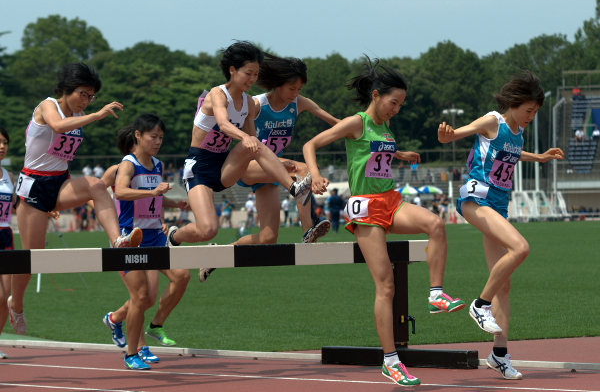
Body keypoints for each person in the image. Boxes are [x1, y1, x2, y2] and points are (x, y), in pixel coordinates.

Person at [303, 56, 466, 387]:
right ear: (376, 95)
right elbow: (311, 144)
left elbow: (375, 154)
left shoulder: (384, 128)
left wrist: (399, 153)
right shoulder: (356, 122)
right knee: (386, 285)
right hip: (365, 207)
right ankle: (391, 361)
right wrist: (316, 174)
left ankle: (436, 294)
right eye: (394, 102)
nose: (397, 109)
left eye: (401, 104)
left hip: (390, 199)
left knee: (436, 224)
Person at [438, 70, 564, 380]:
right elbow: (460, 132)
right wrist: (448, 135)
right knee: (520, 248)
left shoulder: (517, 131)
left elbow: (513, 153)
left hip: (498, 205)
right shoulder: (493, 120)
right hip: (475, 198)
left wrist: (540, 157)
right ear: (514, 103)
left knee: (504, 283)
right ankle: (480, 305)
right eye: (529, 110)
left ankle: (500, 354)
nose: (531, 116)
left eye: (535, 112)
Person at [10, 63, 142, 337]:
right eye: (83, 94)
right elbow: (57, 126)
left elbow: (62, 156)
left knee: (96, 185)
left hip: (59, 181)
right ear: (68, 89)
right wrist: (95, 115)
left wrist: (67, 196)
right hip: (34, 186)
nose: (86, 100)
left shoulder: (79, 115)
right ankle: (17, 303)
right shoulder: (48, 106)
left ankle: (118, 241)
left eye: (91, 96)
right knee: (31, 259)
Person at [164, 42, 311, 253]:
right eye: (248, 73)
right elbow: (223, 123)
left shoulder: (249, 103)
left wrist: (276, 160)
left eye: (256, 74)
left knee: (253, 145)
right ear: (232, 70)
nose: (252, 79)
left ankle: (294, 188)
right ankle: (174, 235)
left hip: (225, 167)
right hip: (200, 168)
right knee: (208, 230)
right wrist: (245, 137)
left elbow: (254, 144)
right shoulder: (217, 94)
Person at [102, 115, 191, 370]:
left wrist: (177, 202)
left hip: (155, 236)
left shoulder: (158, 165)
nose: (158, 141)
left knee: (180, 276)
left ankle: (124, 320)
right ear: (138, 135)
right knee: (141, 297)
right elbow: (119, 192)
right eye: (153, 136)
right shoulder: (128, 165)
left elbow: (155, 200)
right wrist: (153, 192)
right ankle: (132, 352)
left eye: (161, 137)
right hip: (131, 238)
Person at [233, 53, 338, 246]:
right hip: (249, 166)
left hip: (272, 173)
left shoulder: (299, 103)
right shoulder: (256, 105)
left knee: (268, 238)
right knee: (301, 169)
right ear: (278, 84)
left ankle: (219, 254)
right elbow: (229, 127)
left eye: (299, 89)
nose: (295, 93)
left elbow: (338, 124)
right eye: (291, 88)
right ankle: (308, 230)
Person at [0, 127, 16, 359]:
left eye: (4, 143)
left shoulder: (9, 176)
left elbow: (17, 206)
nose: (1, 146)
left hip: (5, 235)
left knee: (5, 296)